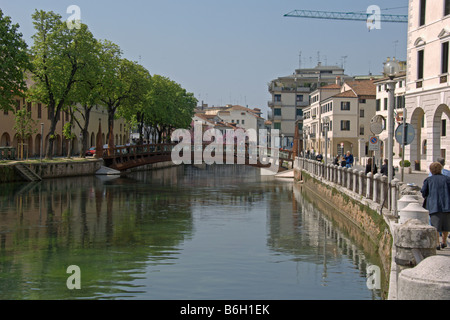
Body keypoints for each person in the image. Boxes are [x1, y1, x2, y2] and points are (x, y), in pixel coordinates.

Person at [421, 162, 450, 250]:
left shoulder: (429, 180)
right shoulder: (448, 179)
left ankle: (437, 243)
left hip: (434, 206)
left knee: (435, 226)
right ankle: (444, 241)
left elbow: (424, 192)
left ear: (431, 170)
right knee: (446, 225)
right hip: (447, 205)